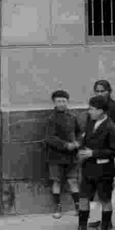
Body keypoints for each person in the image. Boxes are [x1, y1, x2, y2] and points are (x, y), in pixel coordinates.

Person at [66, 94, 115, 230]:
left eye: (92, 109)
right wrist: (81, 149)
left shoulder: (111, 127)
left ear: (101, 111)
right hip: (89, 169)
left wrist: (93, 153)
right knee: (83, 199)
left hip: (104, 171)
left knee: (105, 201)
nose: (89, 111)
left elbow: (114, 151)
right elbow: (86, 139)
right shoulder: (91, 123)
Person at [88, 79, 115, 229]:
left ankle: (108, 221)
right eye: (97, 91)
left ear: (109, 91)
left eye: (102, 91)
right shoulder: (94, 109)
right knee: (98, 187)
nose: (99, 94)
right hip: (97, 153)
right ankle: (101, 218)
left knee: (110, 186)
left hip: (111, 153)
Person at [45, 89, 81, 219]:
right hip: (56, 156)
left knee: (73, 180)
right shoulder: (51, 119)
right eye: (58, 101)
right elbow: (50, 138)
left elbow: (79, 132)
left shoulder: (72, 117)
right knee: (57, 181)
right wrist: (66, 145)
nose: (61, 103)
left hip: (71, 156)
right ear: (54, 102)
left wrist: (77, 142)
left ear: (67, 102)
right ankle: (58, 207)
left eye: (64, 101)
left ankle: (78, 207)